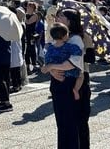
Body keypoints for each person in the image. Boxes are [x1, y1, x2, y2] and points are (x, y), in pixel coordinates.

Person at [44, 8, 89, 149]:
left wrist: (51, 67)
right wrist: (51, 70)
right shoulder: (59, 38)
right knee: (63, 122)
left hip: (74, 82)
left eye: (61, 16)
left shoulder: (75, 39)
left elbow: (73, 63)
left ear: (70, 21)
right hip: (60, 83)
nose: (58, 18)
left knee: (74, 122)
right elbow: (48, 61)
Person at [43, 23, 84, 100]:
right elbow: (78, 52)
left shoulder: (50, 48)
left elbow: (47, 59)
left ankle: (63, 81)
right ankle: (76, 89)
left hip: (56, 72)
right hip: (70, 73)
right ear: (65, 36)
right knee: (81, 75)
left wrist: (49, 67)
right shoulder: (68, 46)